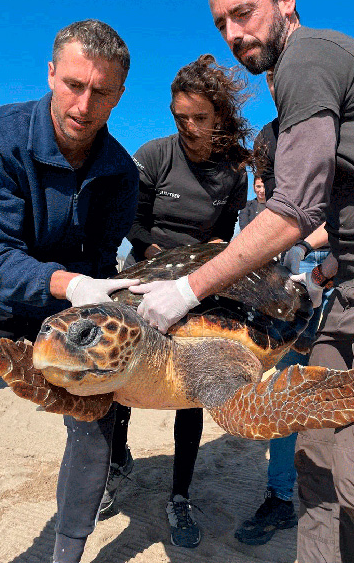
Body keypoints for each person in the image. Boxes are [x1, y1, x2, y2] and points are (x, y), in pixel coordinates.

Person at [129, 0, 354, 561]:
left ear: (286, 0)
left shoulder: (308, 56)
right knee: (318, 466)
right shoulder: (286, 104)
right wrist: (328, 266)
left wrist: (187, 289)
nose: (232, 32)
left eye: (244, 12)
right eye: (221, 23)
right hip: (352, 285)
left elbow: (295, 210)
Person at [0, 19, 140, 563]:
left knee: (96, 411)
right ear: (51, 74)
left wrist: (95, 290)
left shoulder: (122, 172)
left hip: (75, 304)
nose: (83, 105)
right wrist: (71, 283)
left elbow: (102, 259)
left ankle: (66, 553)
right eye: (74, 84)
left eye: (101, 92)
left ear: (120, 94)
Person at [100, 53, 250, 550]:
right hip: (141, 276)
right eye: (180, 117)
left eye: (199, 118)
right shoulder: (156, 154)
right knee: (119, 376)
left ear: (219, 116)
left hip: (195, 288)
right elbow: (127, 219)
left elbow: (225, 241)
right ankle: (115, 460)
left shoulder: (233, 170)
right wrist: (152, 251)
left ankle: (179, 495)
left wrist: (195, 274)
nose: (188, 127)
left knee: (193, 386)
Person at [235, 89, 332, 545]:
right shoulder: (270, 141)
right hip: (286, 289)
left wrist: (308, 251)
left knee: (345, 402)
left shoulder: (329, 141)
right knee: (288, 399)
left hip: (338, 282)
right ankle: (281, 498)